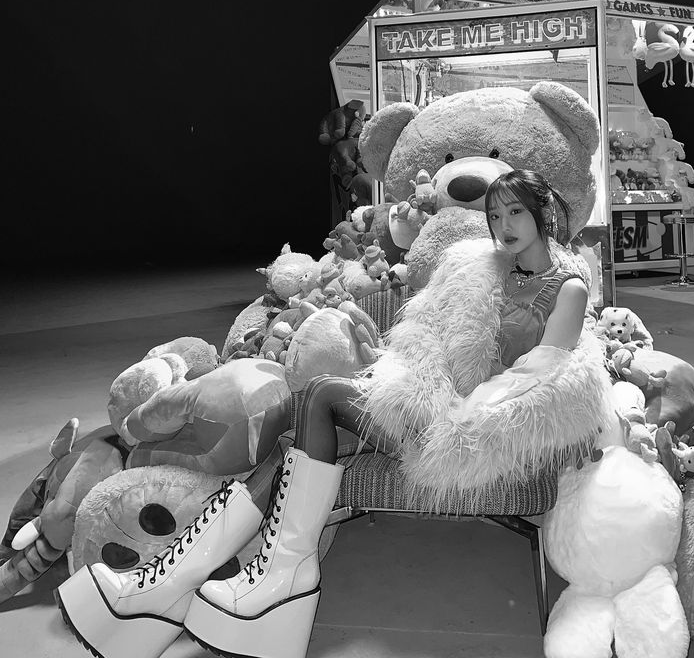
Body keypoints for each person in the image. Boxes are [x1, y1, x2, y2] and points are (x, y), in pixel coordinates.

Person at [56, 170, 611, 658]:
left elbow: (537, 377)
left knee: (321, 395)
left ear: (541, 213)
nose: (504, 226)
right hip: (431, 407)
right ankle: (196, 582)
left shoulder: (565, 287)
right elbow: (434, 338)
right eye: (495, 215)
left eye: (515, 212)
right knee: (293, 442)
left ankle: (213, 584)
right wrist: (409, 376)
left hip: (472, 432)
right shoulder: (484, 267)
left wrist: (453, 411)